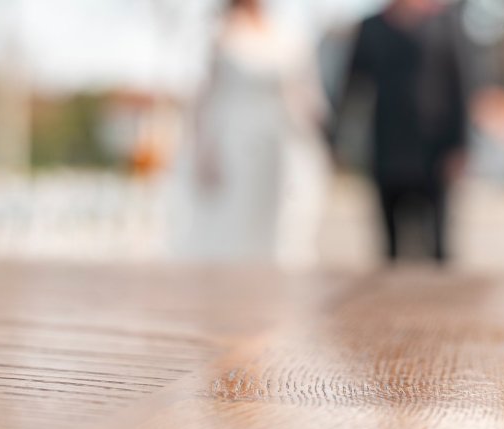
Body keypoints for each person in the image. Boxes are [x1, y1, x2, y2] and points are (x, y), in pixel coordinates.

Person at [171, 0, 330, 267]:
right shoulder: (220, 33)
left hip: (280, 142)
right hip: (234, 142)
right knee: (235, 221)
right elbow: (204, 97)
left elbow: (305, 93)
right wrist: (202, 152)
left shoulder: (286, 32)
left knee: (279, 223)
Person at [337, 0, 468, 264]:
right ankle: (391, 305)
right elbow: (352, 87)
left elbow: (461, 87)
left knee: (439, 248)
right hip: (388, 149)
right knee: (390, 250)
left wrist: (460, 145)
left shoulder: (445, 23)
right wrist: (339, 139)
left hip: (434, 152)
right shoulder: (371, 27)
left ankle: (441, 304)